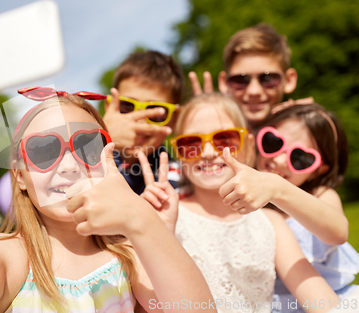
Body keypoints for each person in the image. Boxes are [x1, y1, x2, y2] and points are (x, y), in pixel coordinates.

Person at [0, 24, 216, 313]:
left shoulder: (128, 254)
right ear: (19, 176)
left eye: (87, 145)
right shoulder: (8, 258)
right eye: (43, 149)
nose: (68, 164)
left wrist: (146, 224)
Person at [139, 93, 343, 313]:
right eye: (191, 143)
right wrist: (158, 235)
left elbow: (319, 297)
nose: (208, 153)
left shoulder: (271, 222)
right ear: (178, 153)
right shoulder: (162, 216)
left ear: (247, 146)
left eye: (224, 140)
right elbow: (149, 306)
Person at [218, 100, 359, 312]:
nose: (281, 160)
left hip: (332, 301)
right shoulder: (244, 199)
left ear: (319, 170)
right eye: (273, 142)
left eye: (301, 158)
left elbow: (338, 232)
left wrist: (278, 189)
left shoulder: (321, 195)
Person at [189, 24, 298, 130]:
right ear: (224, 82)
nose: (254, 91)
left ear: (288, 80)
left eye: (267, 78)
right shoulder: (211, 138)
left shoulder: (306, 136)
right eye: (241, 80)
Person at [103, 50, 183, 194]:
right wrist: (102, 136)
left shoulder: (176, 179)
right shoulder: (85, 157)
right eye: (127, 106)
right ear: (109, 107)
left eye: (155, 111)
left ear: (174, 119)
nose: (139, 120)